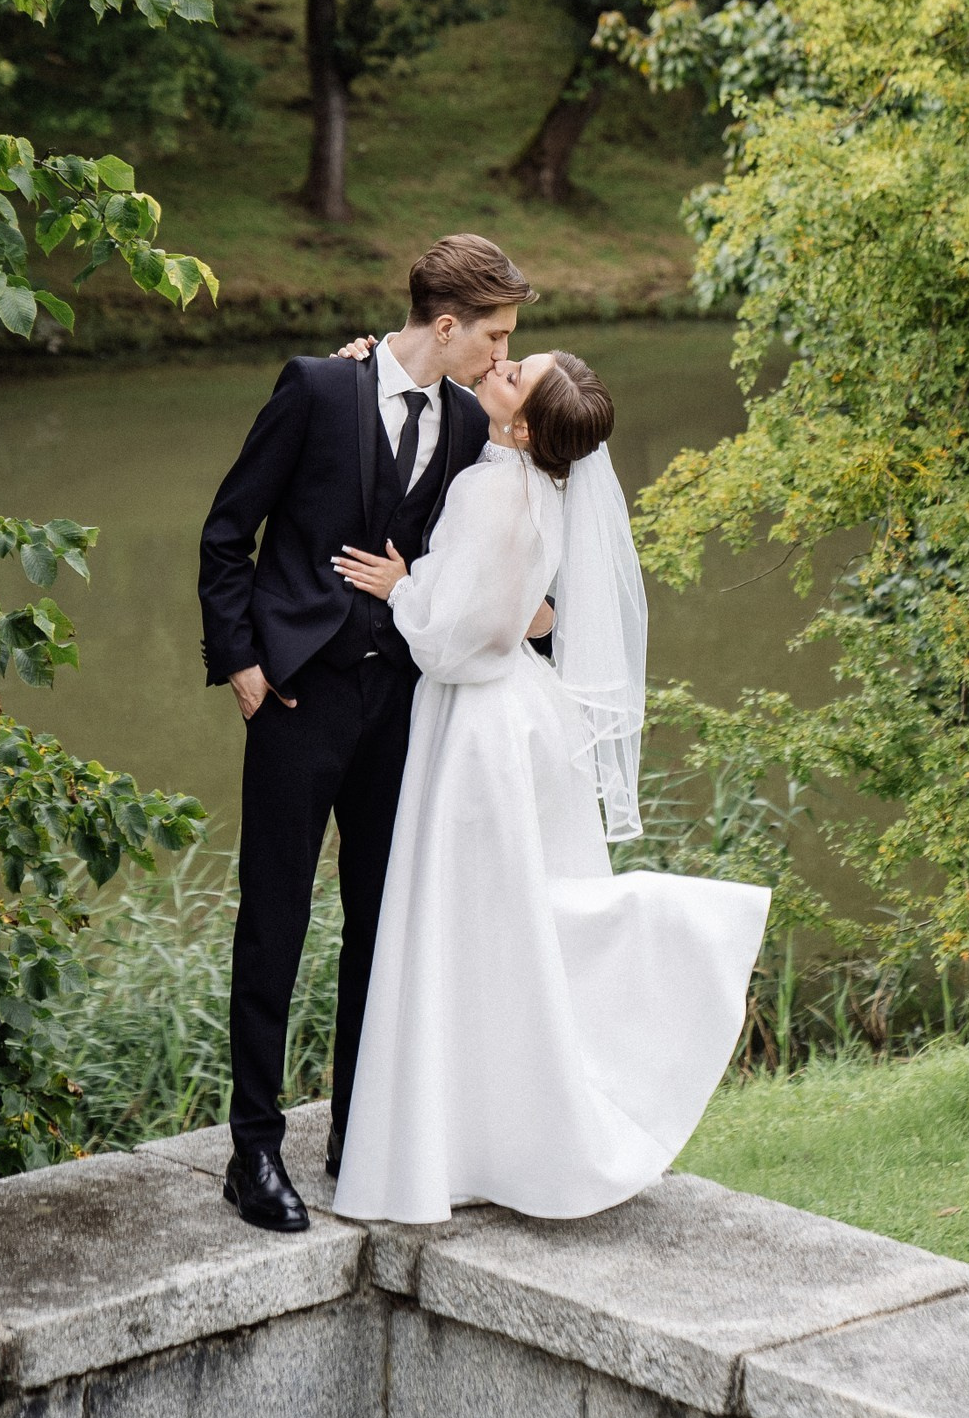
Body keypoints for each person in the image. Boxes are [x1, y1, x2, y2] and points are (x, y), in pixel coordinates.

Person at [329, 348, 770, 1224]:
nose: (495, 365)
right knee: (511, 924)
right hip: (530, 717)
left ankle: (460, 1131)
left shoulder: (491, 490)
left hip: (480, 726)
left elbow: (458, 643)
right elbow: (520, 609)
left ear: (524, 426)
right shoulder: (540, 484)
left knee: (475, 922)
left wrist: (404, 588)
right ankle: (494, 1128)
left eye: (510, 375)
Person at [197, 232, 537, 1232]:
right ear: (448, 324)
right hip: (297, 699)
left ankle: (362, 1131)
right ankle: (254, 1152)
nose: (503, 352)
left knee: (383, 927)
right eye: (495, 335)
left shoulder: (472, 421)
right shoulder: (316, 387)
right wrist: (242, 663)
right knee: (274, 922)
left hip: (404, 710)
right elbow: (228, 531)